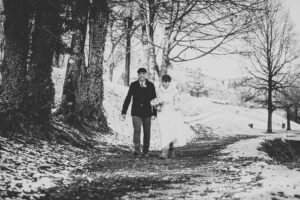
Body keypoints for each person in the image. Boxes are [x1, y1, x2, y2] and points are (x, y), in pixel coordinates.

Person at [156, 74, 194, 159]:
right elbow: (157, 100)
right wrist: (157, 106)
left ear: (169, 82)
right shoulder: (158, 90)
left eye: (166, 82)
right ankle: (164, 151)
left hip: (171, 112)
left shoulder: (174, 90)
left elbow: (176, 102)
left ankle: (171, 148)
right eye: (163, 82)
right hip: (162, 112)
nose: (164, 83)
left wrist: (176, 107)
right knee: (163, 131)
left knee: (170, 131)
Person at [121, 68, 157, 158]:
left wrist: (154, 113)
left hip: (147, 112)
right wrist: (124, 111)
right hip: (136, 112)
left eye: (143, 74)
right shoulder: (133, 85)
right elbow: (128, 98)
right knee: (137, 131)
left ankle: (146, 151)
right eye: (140, 74)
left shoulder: (151, 85)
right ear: (138, 75)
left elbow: (154, 100)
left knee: (147, 132)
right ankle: (137, 150)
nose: (142, 75)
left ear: (146, 75)